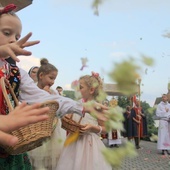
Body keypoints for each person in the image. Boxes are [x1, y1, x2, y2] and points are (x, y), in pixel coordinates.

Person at [0, 4, 108, 169]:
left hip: (11, 147)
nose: (14, 39)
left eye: (17, 35)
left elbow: (44, 98)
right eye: (7, 33)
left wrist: (83, 107)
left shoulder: (16, 73)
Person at [56, 72, 112, 170]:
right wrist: (67, 118)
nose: (77, 89)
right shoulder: (77, 105)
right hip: (73, 143)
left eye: (81, 87)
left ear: (91, 90)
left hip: (89, 145)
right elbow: (69, 115)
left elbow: (105, 129)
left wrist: (92, 127)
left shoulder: (98, 107)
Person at [28, 58, 66, 170]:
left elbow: (59, 108)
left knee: (52, 160)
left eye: (54, 79)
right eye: (51, 78)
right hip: (36, 129)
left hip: (52, 131)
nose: (53, 81)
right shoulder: (32, 89)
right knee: (37, 160)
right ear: (41, 76)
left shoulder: (53, 92)